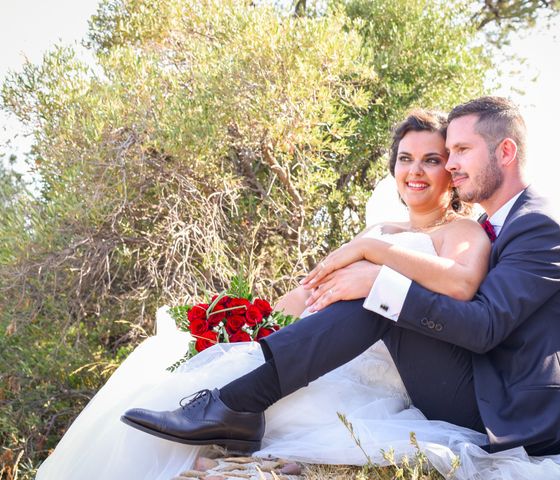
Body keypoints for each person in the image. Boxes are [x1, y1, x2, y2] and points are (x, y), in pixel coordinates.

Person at [121, 96, 560, 458]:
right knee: (380, 291)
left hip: (525, 416)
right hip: (487, 386)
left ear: (506, 151)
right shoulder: (507, 224)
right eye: (445, 153)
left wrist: (379, 279)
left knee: (382, 293)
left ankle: (237, 405)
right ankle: (236, 404)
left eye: (459, 151)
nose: (450, 165)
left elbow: (484, 326)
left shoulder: (540, 228)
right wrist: (246, 321)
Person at [37, 109, 497, 479]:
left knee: (371, 298)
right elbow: (312, 292)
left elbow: (460, 284)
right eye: (405, 158)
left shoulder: (462, 231)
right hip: (348, 359)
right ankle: (227, 408)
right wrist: (247, 326)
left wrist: (372, 255)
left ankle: (234, 408)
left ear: (450, 171)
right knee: (223, 371)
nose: (415, 171)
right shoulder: (377, 229)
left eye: (431, 160)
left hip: (419, 372)